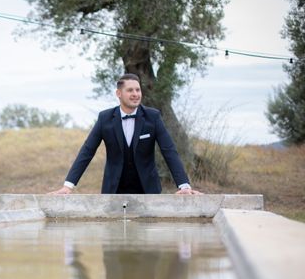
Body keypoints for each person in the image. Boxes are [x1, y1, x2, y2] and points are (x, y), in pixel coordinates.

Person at [49, 73, 202, 195]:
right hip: (114, 190)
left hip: (148, 191)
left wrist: (184, 185)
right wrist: (68, 186)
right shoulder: (105, 118)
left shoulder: (153, 117)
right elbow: (87, 151)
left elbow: (169, 151)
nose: (136, 94)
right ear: (119, 93)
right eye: (130, 90)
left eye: (138, 90)